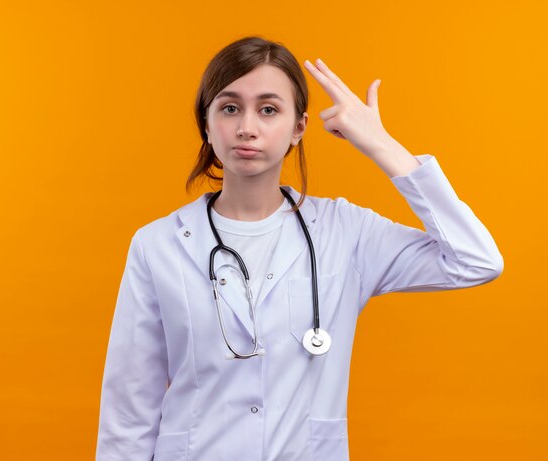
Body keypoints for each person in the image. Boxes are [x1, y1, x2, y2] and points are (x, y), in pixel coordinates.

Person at [94, 36, 503, 461]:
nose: (246, 127)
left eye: (268, 109)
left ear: (299, 127)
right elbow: (129, 410)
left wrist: (381, 145)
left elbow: (475, 261)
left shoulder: (347, 233)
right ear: (207, 122)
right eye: (229, 107)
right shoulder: (156, 244)